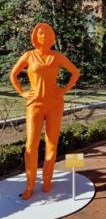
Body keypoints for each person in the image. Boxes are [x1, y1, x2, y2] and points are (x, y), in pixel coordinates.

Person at [10, 23, 80, 200]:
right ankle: (30, 185)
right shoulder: (29, 55)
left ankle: (47, 180)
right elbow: (13, 75)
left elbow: (75, 73)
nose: (45, 36)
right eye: (42, 34)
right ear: (36, 37)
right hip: (34, 104)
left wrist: (63, 90)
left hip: (55, 104)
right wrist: (22, 92)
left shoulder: (57, 57)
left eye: (49, 34)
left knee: (51, 144)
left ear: (52, 38)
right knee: (31, 145)